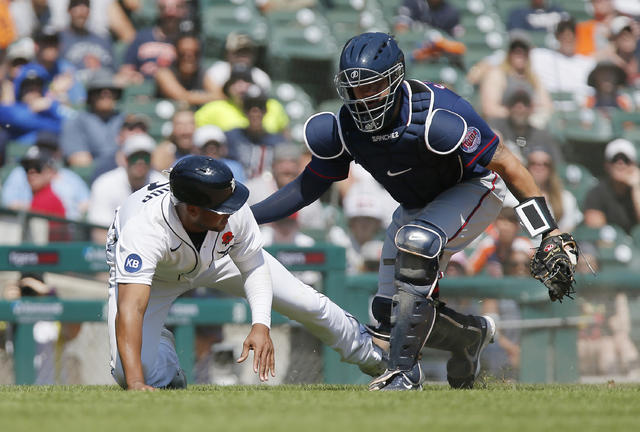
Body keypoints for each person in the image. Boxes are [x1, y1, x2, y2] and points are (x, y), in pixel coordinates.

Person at [251, 32, 575, 391]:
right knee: (390, 316)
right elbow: (307, 186)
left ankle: (404, 374)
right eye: (355, 89)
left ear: (394, 79)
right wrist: (248, 216)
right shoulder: (344, 127)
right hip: (417, 207)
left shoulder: (438, 115)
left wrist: (546, 230)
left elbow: (507, 165)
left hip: (472, 189)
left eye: (372, 87)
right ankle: (468, 336)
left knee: (417, 243)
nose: (362, 99)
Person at [106, 155, 385, 390]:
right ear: (191, 209)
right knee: (128, 372)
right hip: (158, 276)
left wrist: (260, 324)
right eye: (222, 208)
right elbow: (131, 307)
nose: (232, 210)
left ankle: (377, 359)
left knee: (306, 301)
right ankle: (162, 357)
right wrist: (135, 384)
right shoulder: (144, 228)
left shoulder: (229, 209)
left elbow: (253, 266)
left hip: (219, 257)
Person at [88, 133, 165, 243]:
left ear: (152, 160)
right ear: (125, 159)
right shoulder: (105, 184)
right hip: (114, 250)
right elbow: (100, 233)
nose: (140, 161)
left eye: (145, 157)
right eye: (135, 157)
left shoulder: (162, 184)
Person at [479, 30, 554, 128]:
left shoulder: (533, 78)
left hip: (528, 130)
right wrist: (517, 113)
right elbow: (489, 109)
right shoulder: (497, 74)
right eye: (515, 49)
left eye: (524, 49)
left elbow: (548, 107)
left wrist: (531, 114)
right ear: (509, 52)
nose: (520, 53)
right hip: (502, 127)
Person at [194, 65, 289, 134]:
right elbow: (193, 125)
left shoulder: (273, 106)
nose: (241, 86)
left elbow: (285, 135)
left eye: (246, 81)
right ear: (228, 87)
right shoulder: (215, 108)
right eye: (235, 82)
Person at [60, 68, 124, 168]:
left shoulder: (125, 120)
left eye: (110, 90)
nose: (105, 94)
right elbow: (79, 160)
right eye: (99, 90)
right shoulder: (77, 121)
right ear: (91, 95)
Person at [225, 87, 286, 179]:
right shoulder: (231, 137)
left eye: (260, 107)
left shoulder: (278, 141)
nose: (255, 111)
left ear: (266, 111)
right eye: (249, 106)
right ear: (243, 110)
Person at [529, 17, 596, 100]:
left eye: (571, 36)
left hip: (577, 105)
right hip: (550, 103)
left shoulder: (587, 63)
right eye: (564, 37)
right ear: (557, 37)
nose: (568, 39)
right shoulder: (540, 56)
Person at [583, 138, 640, 234]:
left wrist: (636, 188)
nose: (620, 164)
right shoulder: (596, 193)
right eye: (615, 159)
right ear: (607, 165)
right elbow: (597, 233)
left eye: (626, 160)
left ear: (633, 165)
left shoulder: (637, 190)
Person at [154, 33, 218, 107]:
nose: (189, 57)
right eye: (183, 53)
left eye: (195, 53)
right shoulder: (164, 72)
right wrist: (210, 97)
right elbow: (181, 96)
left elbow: (219, 95)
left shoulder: (202, 72)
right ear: (176, 53)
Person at [59, 0, 115, 83]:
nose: (82, 10)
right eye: (76, 5)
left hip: (103, 87)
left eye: (86, 5)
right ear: (68, 10)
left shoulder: (103, 39)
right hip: (73, 88)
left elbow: (115, 70)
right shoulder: (58, 39)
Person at [204, 32, 271, 98]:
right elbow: (214, 97)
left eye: (246, 52)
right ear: (227, 53)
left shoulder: (261, 78)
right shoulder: (217, 71)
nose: (242, 57)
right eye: (238, 52)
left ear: (254, 55)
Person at [394, 0, 462, 38]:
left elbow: (458, 37)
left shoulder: (451, 11)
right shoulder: (412, 3)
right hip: (414, 48)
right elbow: (401, 29)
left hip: (438, 51)